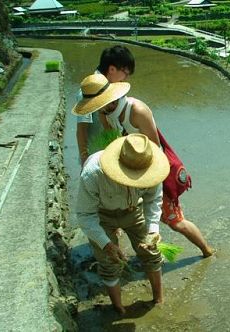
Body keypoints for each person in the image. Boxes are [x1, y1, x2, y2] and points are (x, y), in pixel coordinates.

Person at [73, 74, 214, 258]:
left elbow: (155, 152)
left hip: (154, 169)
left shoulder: (137, 111)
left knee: (174, 220)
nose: (97, 110)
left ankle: (206, 250)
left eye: (98, 105)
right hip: (132, 169)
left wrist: (144, 186)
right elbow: (114, 144)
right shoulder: (104, 113)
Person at [76, 133, 170, 314]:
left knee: (151, 252)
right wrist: (106, 244)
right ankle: (119, 307)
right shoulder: (93, 174)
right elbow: (85, 214)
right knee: (109, 261)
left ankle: (159, 298)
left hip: (134, 210)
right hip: (101, 214)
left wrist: (153, 230)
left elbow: (153, 200)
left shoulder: (152, 167)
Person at [76, 45, 135, 166]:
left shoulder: (113, 87)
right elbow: (81, 129)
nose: (126, 78)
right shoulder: (89, 92)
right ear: (112, 69)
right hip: (96, 156)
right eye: (125, 73)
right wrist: (84, 159)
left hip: (113, 152)